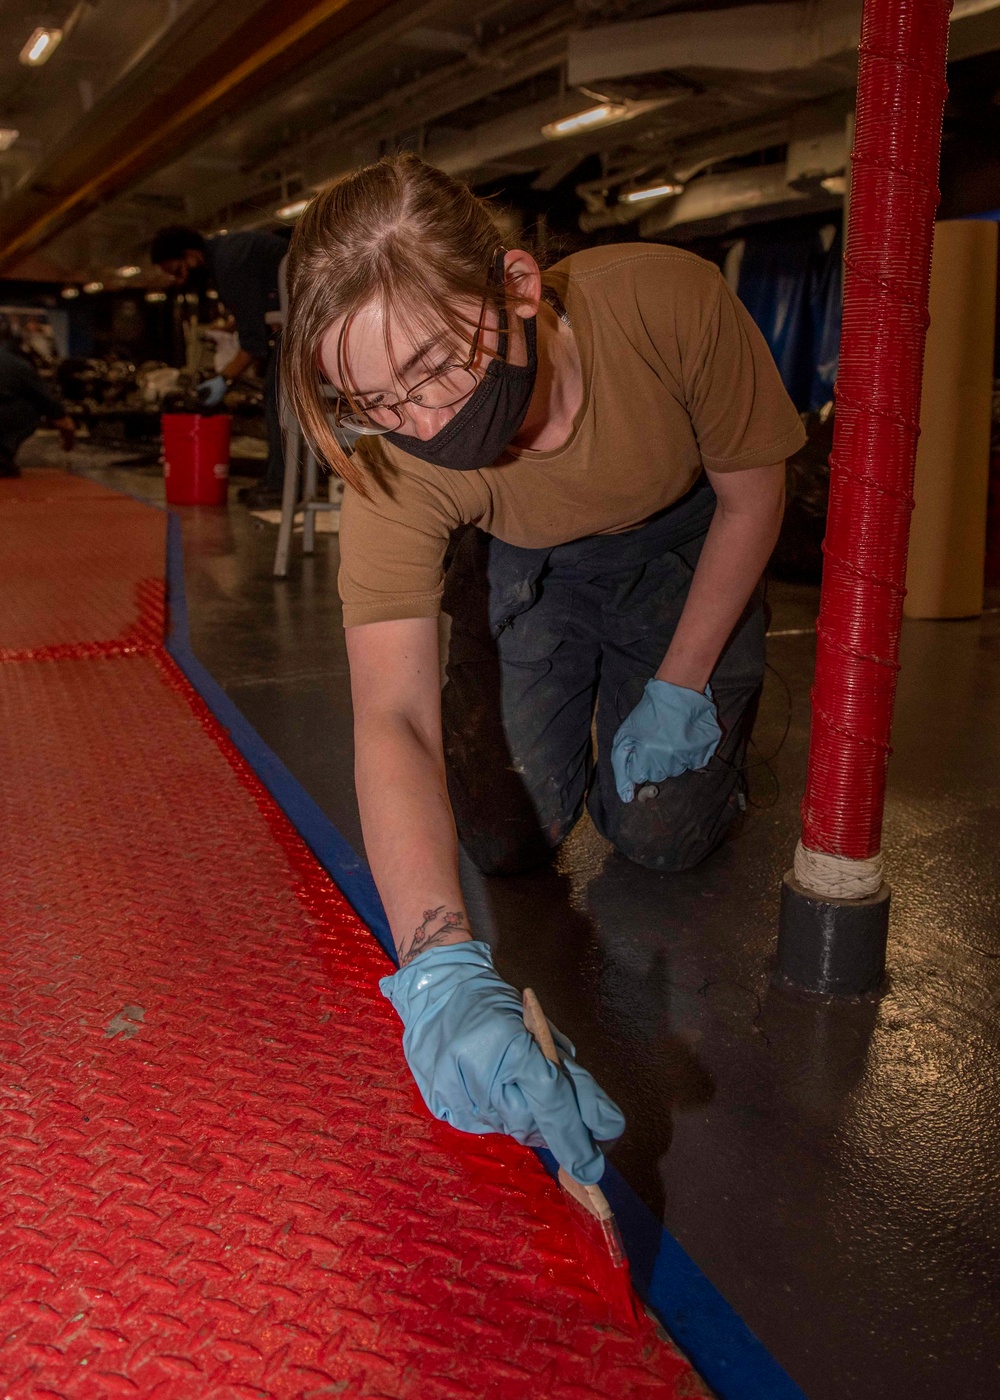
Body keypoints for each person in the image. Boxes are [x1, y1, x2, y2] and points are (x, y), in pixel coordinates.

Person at [283, 154, 806, 1185]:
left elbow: (753, 498)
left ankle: (718, 724)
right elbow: (393, 712)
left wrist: (683, 679)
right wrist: (436, 967)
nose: (424, 423)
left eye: (438, 364)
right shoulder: (401, 460)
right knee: (499, 837)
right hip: (537, 567)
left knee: (655, 831)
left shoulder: (663, 303)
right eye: (376, 398)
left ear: (518, 286)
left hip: (680, 543)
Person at [151, 225, 288, 508]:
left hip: (313, 320)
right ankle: (278, 481)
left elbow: (254, 345)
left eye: (178, 271)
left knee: (278, 395)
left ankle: (282, 488)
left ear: (190, 255)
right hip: (301, 317)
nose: (179, 281)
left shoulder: (230, 262)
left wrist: (223, 380)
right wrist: (229, 325)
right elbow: (256, 304)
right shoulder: (227, 252)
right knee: (276, 391)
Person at [0, 322, 75, 476]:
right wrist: (68, 440)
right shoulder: (18, 365)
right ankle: (2, 453)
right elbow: (53, 409)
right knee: (32, 405)